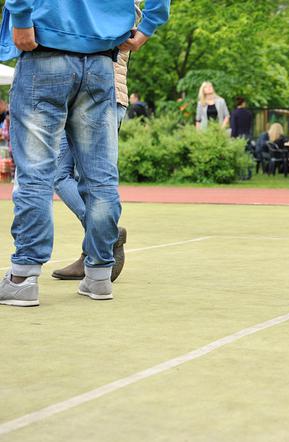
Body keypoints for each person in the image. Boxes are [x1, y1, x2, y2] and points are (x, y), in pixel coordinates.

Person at [0, 0, 170, 307]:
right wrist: (149, 25)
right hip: (101, 61)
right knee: (101, 177)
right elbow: (158, 5)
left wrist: (21, 17)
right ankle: (99, 276)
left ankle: (23, 278)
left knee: (36, 175)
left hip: (45, 45)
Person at [51, 0, 144, 282]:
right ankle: (93, 248)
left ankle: (105, 236)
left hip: (104, 96)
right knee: (68, 175)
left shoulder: (115, 9)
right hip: (86, 95)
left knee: (85, 178)